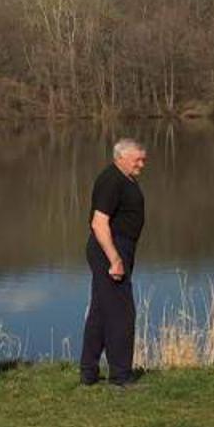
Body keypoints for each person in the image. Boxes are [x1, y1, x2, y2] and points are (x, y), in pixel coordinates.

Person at [82, 138, 148, 387]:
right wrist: (115, 259)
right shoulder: (111, 180)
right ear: (121, 157)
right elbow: (99, 223)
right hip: (109, 250)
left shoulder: (125, 179)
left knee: (101, 312)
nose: (141, 164)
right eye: (137, 160)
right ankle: (121, 376)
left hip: (119, 248)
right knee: (122, 313)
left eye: (143, 160)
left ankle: (88, 373)